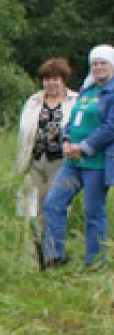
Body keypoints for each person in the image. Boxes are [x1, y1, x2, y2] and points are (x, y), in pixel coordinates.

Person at [42, 45, 114, 268]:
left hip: (97, 162)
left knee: (93, 212)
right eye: (95, 63)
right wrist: (65, 140)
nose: (98, 67)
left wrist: (83, 146)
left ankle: (95, 262)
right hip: (73, 162)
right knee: (53, 203)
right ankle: (54, 257)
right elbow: (72, 121)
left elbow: (110, 127)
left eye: (103, 63)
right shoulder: (86, 91)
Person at [16, 58, 76, 265]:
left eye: (56, 79)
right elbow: (24, 133)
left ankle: (53, 254)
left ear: (64, 80)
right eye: (47, 79)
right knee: (31, 209)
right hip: (34, 162)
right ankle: (33, 253)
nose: (51, 83)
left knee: (55, 207)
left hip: (61, 163)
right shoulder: (33, 102)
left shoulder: (75, 101)